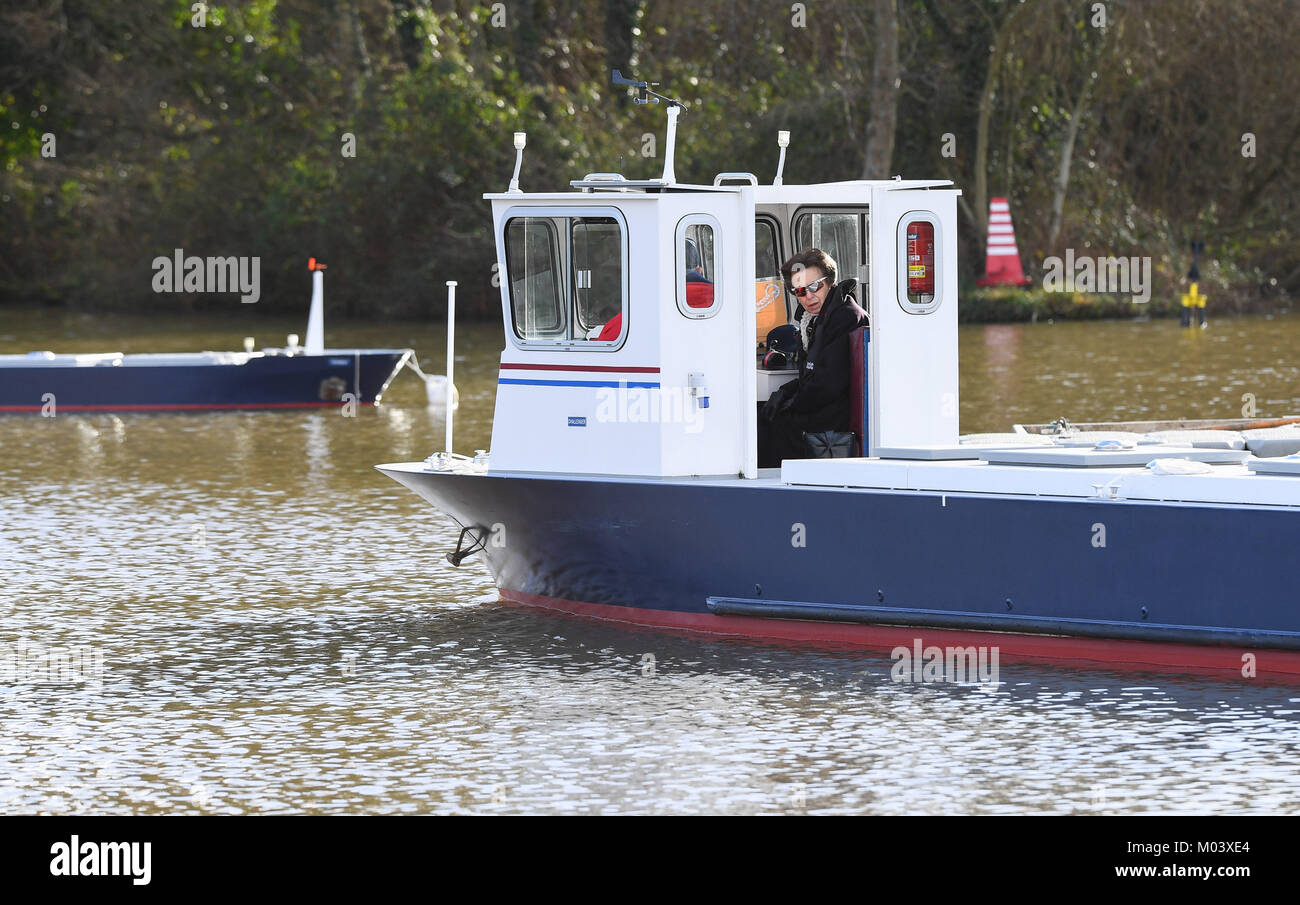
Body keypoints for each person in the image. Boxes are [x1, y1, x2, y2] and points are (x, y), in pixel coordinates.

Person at [757, 248, 868, 467]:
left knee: (766, 425)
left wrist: (789, 404)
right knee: (761, 414)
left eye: (815, 286)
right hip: (822, 407)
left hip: (833, 417)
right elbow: (812, 375)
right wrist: (784, 392)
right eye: (799, 291)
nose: (808, 297)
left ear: (830, 281)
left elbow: (828, 384)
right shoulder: (815, 320)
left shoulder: (845, 317)